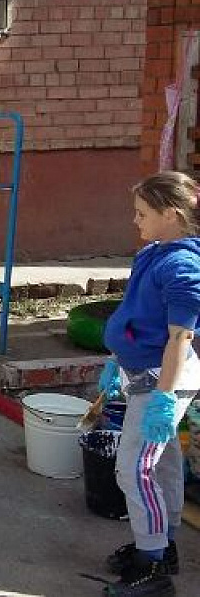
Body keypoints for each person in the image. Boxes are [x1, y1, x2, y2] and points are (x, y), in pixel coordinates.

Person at [95, 171, 200, 596]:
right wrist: (115, 361)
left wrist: (163, 398)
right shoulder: (154, 253)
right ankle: (163, 543)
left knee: (134, 469)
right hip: (141, 374)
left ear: (170, 215)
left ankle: (153, 568)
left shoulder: (183, 267)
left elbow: (180, 338)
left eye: (142, 214)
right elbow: (136, 315)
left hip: (164, 381)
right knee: (164, 462)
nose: (135, 222)